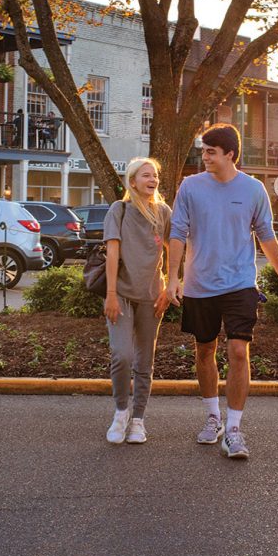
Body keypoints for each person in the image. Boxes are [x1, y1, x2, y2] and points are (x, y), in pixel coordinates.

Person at [167, 123, 278, 460]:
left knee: (239, 351)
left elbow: (266, 236)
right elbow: (177, 233)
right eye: (204, 151)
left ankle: (234, 429)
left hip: (240, 283)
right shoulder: (190, 187)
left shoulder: (253, 189)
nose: (205, 157)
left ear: (230, 154)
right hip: (200, 283)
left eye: (211, 152)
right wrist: (172, 279)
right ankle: (214, 418)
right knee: (204, 350)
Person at [103, 157, 172, 445]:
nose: (152, 179)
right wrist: (110, 295)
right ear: (132, 181)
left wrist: (171, 285)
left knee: (145, 361)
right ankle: (121, 412)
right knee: (122, 355)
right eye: (146, 175)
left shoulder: (163, 212)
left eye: (155, 175)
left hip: (151, 297)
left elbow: (177, 247)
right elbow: (112, 253)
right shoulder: (119, 210)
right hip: (120, 294)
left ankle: (138, 420)